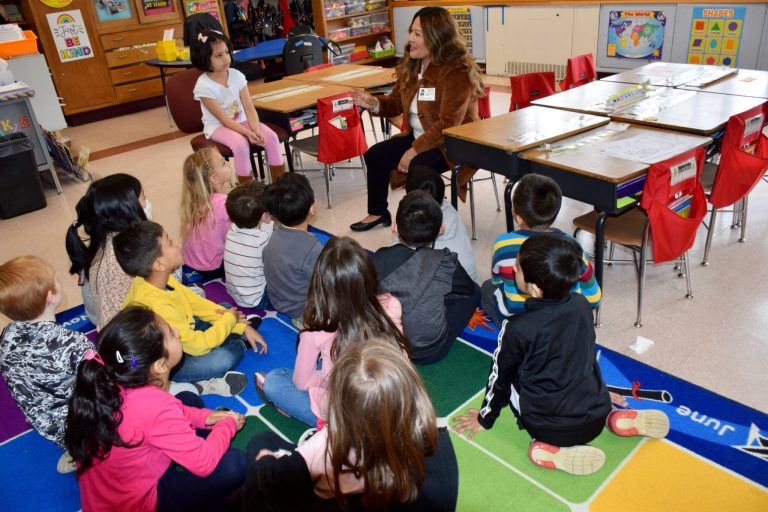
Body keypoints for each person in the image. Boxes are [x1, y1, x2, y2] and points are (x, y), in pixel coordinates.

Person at [454, 235, 670, 475]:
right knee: (580, 362)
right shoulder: (581, 305)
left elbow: (499, 379)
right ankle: (614, 418)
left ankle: (545, 449)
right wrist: (601, 392)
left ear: (534, 288)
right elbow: (585, 357)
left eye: (517, 266)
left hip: (547, 427)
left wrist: (485, 418)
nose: (514, 267)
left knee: (510, 374)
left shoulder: (517, 327)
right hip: (596, 413)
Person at [65, 307, 248, 511]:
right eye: (170, 332)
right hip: (141, 504)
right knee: (235, 464)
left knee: (187, 399)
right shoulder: (151, 405)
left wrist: (207, 417)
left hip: (118, 489)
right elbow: (204, 464)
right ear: (160, 365)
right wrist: (228, 425)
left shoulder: (113, 379)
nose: (177, 332)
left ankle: (201, 447)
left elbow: (174, 411)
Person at [243, 340, 459, 511]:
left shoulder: (327, 443)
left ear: (339, 408)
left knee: (260, 441)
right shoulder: (438, 451)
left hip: (316, 476)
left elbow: (266, 488)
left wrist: (264, 465)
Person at [348, 6, 485, 232]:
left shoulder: (456, 71)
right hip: (420, 136)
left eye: (418, 34)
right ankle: (377, 213)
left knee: (417, 166)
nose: (410, 38)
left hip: (451, 145)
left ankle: (419, 225)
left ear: (437, 38)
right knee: (375, 156)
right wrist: (373, 103)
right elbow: (395, 103)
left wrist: (413, 151)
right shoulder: (414, 64)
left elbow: (449, 123)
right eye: (411, 31)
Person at [255, 236, 407, 427]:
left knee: (276, 381)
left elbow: (302, 383)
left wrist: (324, 378)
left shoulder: (318, 328)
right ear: (368, 273)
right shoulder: (391, 304)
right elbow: (402, 360)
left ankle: (331, 428)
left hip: (348, 413)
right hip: (393, 406)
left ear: (321, 284)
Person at [114, 220, 267, 394]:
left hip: (179, 336)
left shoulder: (156, 278)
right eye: (170, 243)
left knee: (222, 308)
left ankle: (234, 333)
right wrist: (230, 322)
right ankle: (236, 345)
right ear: (159, 265)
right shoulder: (156, 306)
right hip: (169, 363)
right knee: (223, 359)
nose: (177, 244)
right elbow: (197, 345)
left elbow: (195, 303)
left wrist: (239, 325)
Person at [0, 256, 92, 474]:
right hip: (77, 424)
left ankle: (74, 449)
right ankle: (88, 453)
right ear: (51, 296)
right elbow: (101, 381)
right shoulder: (72, 343)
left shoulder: (7, 335)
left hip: (42, 422)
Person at [373, 191, 480, 364]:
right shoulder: (444, 262)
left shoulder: (379, 259)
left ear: (395, 227)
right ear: (440, 230)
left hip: (390, 345)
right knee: (476, 292)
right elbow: (467, 288)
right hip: (430, 351)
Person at [480, 173, 601, 326]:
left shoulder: (503, 244)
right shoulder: (572, 246)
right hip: (562, 319)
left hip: (517, 318)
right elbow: (594, 298)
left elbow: (498, 281)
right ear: (554, 214)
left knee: (487, 287)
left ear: (518, 218)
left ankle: (506, 331)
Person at [191, 29, 285, 183]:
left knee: (272, 137)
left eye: (227, 52)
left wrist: (255, 129)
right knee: (240, 145)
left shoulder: (237, 75)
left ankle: (281, 184)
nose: (225, 58)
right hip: (218, 126)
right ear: (204, 59)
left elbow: (249, 107)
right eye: (218, 55)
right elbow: (223, 119)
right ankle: (247, 191)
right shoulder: (203, 86)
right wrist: (248, 134)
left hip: (242, 121)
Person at [65, 173, 151, 330]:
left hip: (100, 316)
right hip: (128, 332)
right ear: (128, 209)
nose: (147, 205)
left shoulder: (103, 238)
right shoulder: (128, 252)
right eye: (144, 199)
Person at [262, 173, 323, 323]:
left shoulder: (273, 236)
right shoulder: (313, 249)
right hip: (304, 312)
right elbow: (324, 285)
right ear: (311, 209)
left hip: (279, 302)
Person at [405, 164, 477, 281]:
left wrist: (399, 232)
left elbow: (404, 257)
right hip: (469, 283)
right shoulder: (450, 210)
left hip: (448, 289)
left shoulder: (419, 223)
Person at [180, 147, 235, 277]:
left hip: (191, 262)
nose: (228, 163)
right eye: (223, 163)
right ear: (214, 178)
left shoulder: (194, 200)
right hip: (214, 267)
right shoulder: (224, 204)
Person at [224, 179, 273, 309]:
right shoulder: (261, 240)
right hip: (258, 300)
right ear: (264, 215)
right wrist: (268, 225)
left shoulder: (232, 230)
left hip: (235, 295)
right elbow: (274, 266)